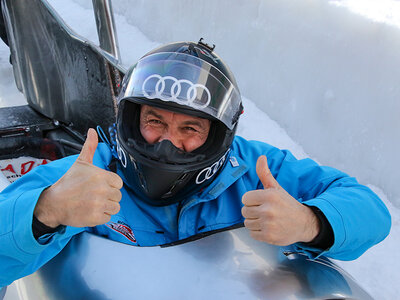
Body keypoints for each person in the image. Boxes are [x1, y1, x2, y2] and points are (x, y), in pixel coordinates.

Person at [0, 40, 391, 288]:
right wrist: (46, 209)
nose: (170, 143)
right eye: (155, 121)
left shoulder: (255, 170)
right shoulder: (88, 173)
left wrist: (310, 222)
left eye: (191, 128)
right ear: (131, 118)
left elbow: (370, 210)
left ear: (219, 135)